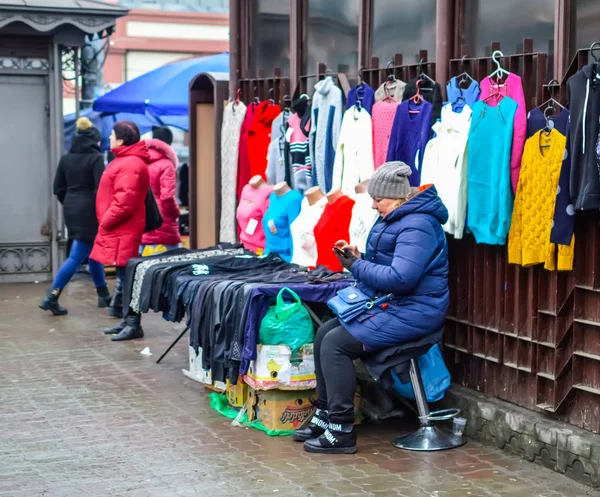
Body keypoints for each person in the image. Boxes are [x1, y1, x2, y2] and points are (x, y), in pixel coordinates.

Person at [293, 161, 450, 454]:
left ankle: (341, 431)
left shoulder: (418, 224)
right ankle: (326, 415)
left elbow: (402, 279)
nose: (374, 205)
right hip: (394, 305)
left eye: (378, 199)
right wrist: (358, 256)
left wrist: (357, 265)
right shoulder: (396, 217)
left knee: (336, 344)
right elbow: (390, 266)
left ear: (397, 196)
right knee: (325, 332)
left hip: (416, 311)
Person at [104, 126, 181, 341]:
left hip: (141, 222)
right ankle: (171, 302)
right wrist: (175, 214)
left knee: (129, 268)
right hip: (161, 221)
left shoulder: (140, 161)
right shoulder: (165, 164)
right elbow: (167, 196)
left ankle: (119, 309)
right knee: (173, 263)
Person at [40, 117, 110, 315]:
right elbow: (101, 188)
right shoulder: (96, 158)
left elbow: (58, 188)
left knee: (93, 251)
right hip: (90, 209)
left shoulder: (66, 158)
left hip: (71, 207)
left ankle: (103, 294)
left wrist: (71, 201)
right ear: (93, 140)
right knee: (78, 253)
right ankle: (52, 295)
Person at [89, 121, 150, 339]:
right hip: (121, 228)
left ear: (122, 139)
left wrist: (105, 220)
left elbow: (125, 201)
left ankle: (133, 324)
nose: (110, 138)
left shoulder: (131, 163)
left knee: (128, 278)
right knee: (125, 277)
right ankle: (127, 321)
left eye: (113, 135)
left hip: (123, 228)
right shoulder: (126, 160)